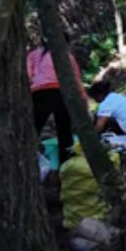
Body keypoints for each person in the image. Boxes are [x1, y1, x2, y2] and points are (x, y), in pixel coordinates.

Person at [27, 35, 85, 166]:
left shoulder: (34, 55)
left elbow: (28, 76)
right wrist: (83, 100)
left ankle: (29, 159)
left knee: (33, 128)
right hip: (63, 93)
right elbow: (76, 79)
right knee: (65, 132)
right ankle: (67, 165)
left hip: (40, 92)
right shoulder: (67, 56)